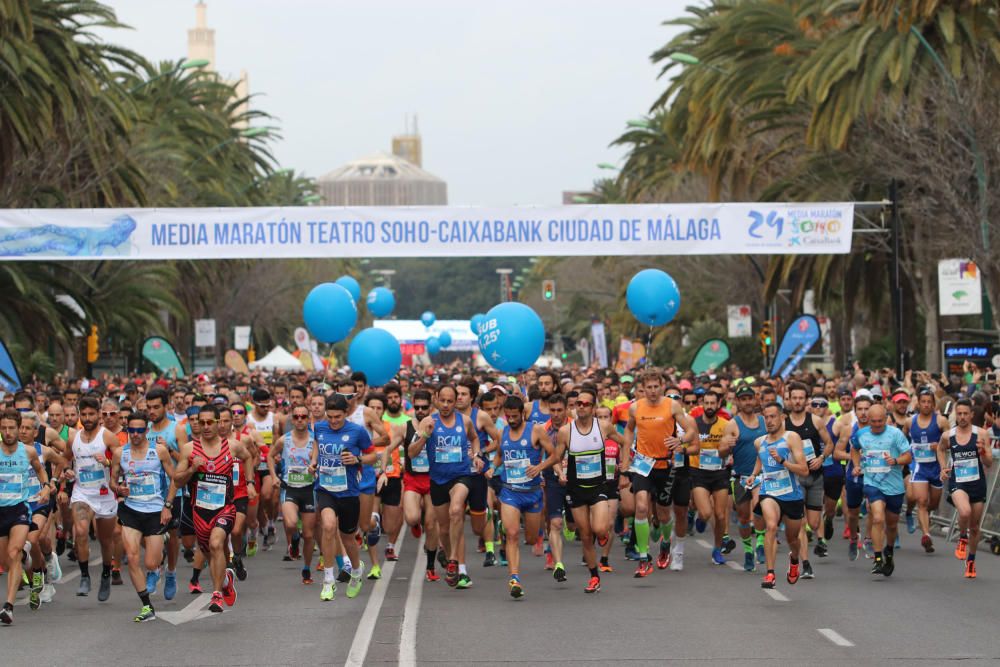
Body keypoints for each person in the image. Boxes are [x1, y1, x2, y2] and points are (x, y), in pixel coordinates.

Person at [173, 405, 254, 613]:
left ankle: (216, 595)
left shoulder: (232, 446)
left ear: (219, 423)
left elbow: (248, 457)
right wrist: (192, 468)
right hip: (199, 511)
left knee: (217, 543)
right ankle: (225, 580)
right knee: (211, 555)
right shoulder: (189, 449)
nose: (206, 426)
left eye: (210, 422)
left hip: (225, 507)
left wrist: (251, 482)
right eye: (202, 422)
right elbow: (177, 480)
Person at [622, 368, 697, 576]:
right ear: (643, 389)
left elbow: (690, 430)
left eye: (656, 387)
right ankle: (644, 557)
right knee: (642, 507)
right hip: (643, 465)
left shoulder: (672, 405)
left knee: (664, 515)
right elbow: (629, 430)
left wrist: (680, 440)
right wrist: (626, 456)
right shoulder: (636, 408)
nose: (653, 391)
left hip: (665, 466)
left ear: (662, 386)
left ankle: (665, 541)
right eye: (649, 388)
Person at [408, 384, 483, 588]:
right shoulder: (427, 421)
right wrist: (425, 436)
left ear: (456, 401)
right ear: (436, 399)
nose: (446, 405)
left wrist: (476, 455)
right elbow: (411, 453)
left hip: (461, 476)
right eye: (443, 401)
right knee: (443, 529)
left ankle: (453, 561)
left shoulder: (464, 421)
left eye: (451, 401)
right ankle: (450, 555)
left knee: (456, 509)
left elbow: (475, 439)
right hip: (438, 480)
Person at [110, 411, 177, 622]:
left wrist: (167, 506)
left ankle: (160, 559)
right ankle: (147, 606)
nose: (136, 434)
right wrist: (119, 489)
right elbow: (112, 480)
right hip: (130, 510)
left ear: (146, 431)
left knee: (150, 563)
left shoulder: (159, 452)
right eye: (132, 430)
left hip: (155, 511)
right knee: (131, 557)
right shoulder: (120, 453)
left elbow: (174, 480)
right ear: (127, 430)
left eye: (140, 430)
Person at [557, 385, 623, 593]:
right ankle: (594, 577)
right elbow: (556, 457)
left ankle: (602, 535)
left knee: (601, 528)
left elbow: (625, 441)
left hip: (598, 486)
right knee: (585, 535)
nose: (582, 407)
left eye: (586, 404)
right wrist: (560, 472)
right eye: (579, 404)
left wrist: (627, 463)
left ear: (593, 407)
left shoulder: (603, 427)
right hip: (576, 489)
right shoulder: (565, 431)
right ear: (574, 407)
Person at [489, 395, 556, 599]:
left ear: (523, 414)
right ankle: (514, 578)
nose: (510, 420)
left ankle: (509, 527)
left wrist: (539, 467)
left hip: (533, 492)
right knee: (512, 534)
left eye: (514, 416)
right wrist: (493, 468)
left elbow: (554, 455)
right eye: (508, 416)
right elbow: (500, 454)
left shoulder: (536, 431)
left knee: (530, 537)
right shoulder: (503, 433)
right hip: (510, 491)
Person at [312, 394, 374, 601]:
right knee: (328, 527)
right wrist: (314, 462)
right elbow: (316, 446)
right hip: (326, 489)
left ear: (346, 414)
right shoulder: (320, 428)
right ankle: (328, 581)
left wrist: (357, 458)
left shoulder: (357, 431)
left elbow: (373, 455)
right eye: (330, 417)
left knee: (348, 538)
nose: (333, 421)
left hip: (348, 493)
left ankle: (356, 570)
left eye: (337, 417)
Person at [64, 396, 123, 601]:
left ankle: (106, 574)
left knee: (105, 540)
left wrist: (107, 462)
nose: (88, 418)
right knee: (80, 531)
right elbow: (64, 458)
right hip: (82, 493)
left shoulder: (107, 437)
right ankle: (85, 576)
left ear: (98, 415)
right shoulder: (74, 438)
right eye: (84, 414)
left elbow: (121, 462)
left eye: (91, 414)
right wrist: (66, 471)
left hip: (105, 495)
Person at [745, 402, 808, 589]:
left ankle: (794, 559)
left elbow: (804, 470)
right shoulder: (760, 442)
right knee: (771, 526)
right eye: (766, 417)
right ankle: (770, 574)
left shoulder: (791, 438)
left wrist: (782, 461)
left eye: (773, 416)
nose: (769, 421)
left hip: (791, 495)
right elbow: (760, 459)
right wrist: (754, 475)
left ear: (782, 417)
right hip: (769, 492)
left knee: (792, 539)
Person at [0, 408, 50, 624]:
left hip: (20, 509)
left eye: (12, 428)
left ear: (18, 428)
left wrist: (47, 486)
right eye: (3, 428)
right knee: (7, 561)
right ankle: (30, 565)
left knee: (14, 552)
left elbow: (40, 470)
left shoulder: (28, 451)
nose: (8, 432)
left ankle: (8, 607)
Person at [849, 403, 911, 577]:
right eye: (873, 421)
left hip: (894, 486)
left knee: (891, 524)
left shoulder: (896, 434)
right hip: (872, 483)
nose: (876, 425)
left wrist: (896, 461)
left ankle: (888, 552)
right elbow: (854, 448)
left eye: (880, 421)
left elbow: (908, 456)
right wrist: (856, 465)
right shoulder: (861, 434)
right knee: (877, 517)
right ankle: (877, 558)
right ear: (868, 420)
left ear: (886, 419)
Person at [783, 382, 836, 580]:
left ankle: (808, 548)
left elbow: (830, 443)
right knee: (800, 522)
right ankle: (804, 563)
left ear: (806, 400)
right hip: (794, 479)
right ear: (789, 399)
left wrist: (821, 458)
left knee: (813, 522)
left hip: (814, 477)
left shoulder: (815, 421)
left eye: (800, 398)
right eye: (793, 397)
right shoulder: (783, 423)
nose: (797, 401)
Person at [937, 399, 993, 578]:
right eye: (959, 413)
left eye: (965, 414)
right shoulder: (948, 435)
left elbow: (989, 463)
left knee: (975, 528)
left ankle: (971, 561)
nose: (962, 417)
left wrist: (983, 452)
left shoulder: (982, 434)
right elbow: (939, 449)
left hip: (977, 483)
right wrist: (943, 467)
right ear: (956, 414)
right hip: (958, 482)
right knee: (965, 512)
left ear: (971, 415)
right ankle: (962, 537)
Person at [268, 404, 317, 584]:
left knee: (310, 535)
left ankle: (306, 568)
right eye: (296, 417)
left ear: (308, 418)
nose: (299, 420)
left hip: (309, 489)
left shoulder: (315, 440)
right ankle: (294, 539)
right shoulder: (284, 440)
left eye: (303, 417)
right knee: (289, 523)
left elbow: (317, 461)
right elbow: (269, 456)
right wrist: (273, 476)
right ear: (291, 419)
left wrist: (314, 468)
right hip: (289, 487)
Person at [398, 391, 441, 582]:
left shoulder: (438, 425)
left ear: (431, 407)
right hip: (413, 479)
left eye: (425, 407)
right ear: (413, 407)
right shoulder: (405, 426)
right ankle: (416, 523)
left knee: (432, 525)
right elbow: (397, 449)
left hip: (432, 480)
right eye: (417, 407)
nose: (421, 411)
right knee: (412, 517)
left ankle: (431, 566)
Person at [688, 391, 734, 566]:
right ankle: (700, 519)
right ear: (702, 404)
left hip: (719, 472)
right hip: (698, 471)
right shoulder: (695, 423)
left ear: (718, 403)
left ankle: (717, 549)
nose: (709, 406)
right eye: (706, 403)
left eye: (712, 403)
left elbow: (727, 450)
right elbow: (688, 443)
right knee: (706, 512)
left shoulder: (726, 424)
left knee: (720, 515)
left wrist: (727, 449)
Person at [724, 384, 765, 572]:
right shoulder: (732, 424)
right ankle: (748, 550)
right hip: (740, 476)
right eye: (744, 399)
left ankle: (760, 544)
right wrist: (727, 445)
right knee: (742, 518)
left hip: (761, 475)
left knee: (759, 507)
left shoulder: (764, 422)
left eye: (750, 398)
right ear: (738, 402)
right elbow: (720, 453)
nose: (748, 402)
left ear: (755, 399)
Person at [907, 388, 947, 553]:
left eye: (929, 402)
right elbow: (903, 440)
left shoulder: (941, 421)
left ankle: (924, 519)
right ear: (918, 403)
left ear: (933, 404)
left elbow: (951, 442)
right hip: (919, 467)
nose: (926, 405)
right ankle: (926, 535)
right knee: (921, 501)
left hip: (936, 467)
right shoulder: (910, 422)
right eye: (923, 401)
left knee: (933, 504)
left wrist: (939, 446)